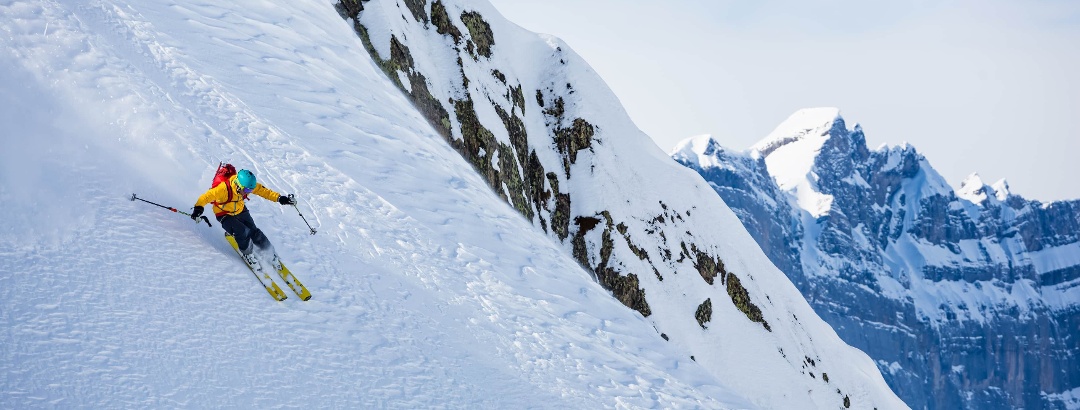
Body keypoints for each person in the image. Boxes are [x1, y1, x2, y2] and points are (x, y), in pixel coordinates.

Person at [190, 169, 295, 271]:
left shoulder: (247, 186)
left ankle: (269, 252)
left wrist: (280, 198)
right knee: (242, 231)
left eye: (250, 190)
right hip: (224, 213)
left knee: (254, 231)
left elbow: (264, 191)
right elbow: (206, 197)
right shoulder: (223, 189)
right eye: (246, 190)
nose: (247, 193)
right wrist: (198, 208)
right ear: (237, 185)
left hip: (240, 210)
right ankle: (247, 254)